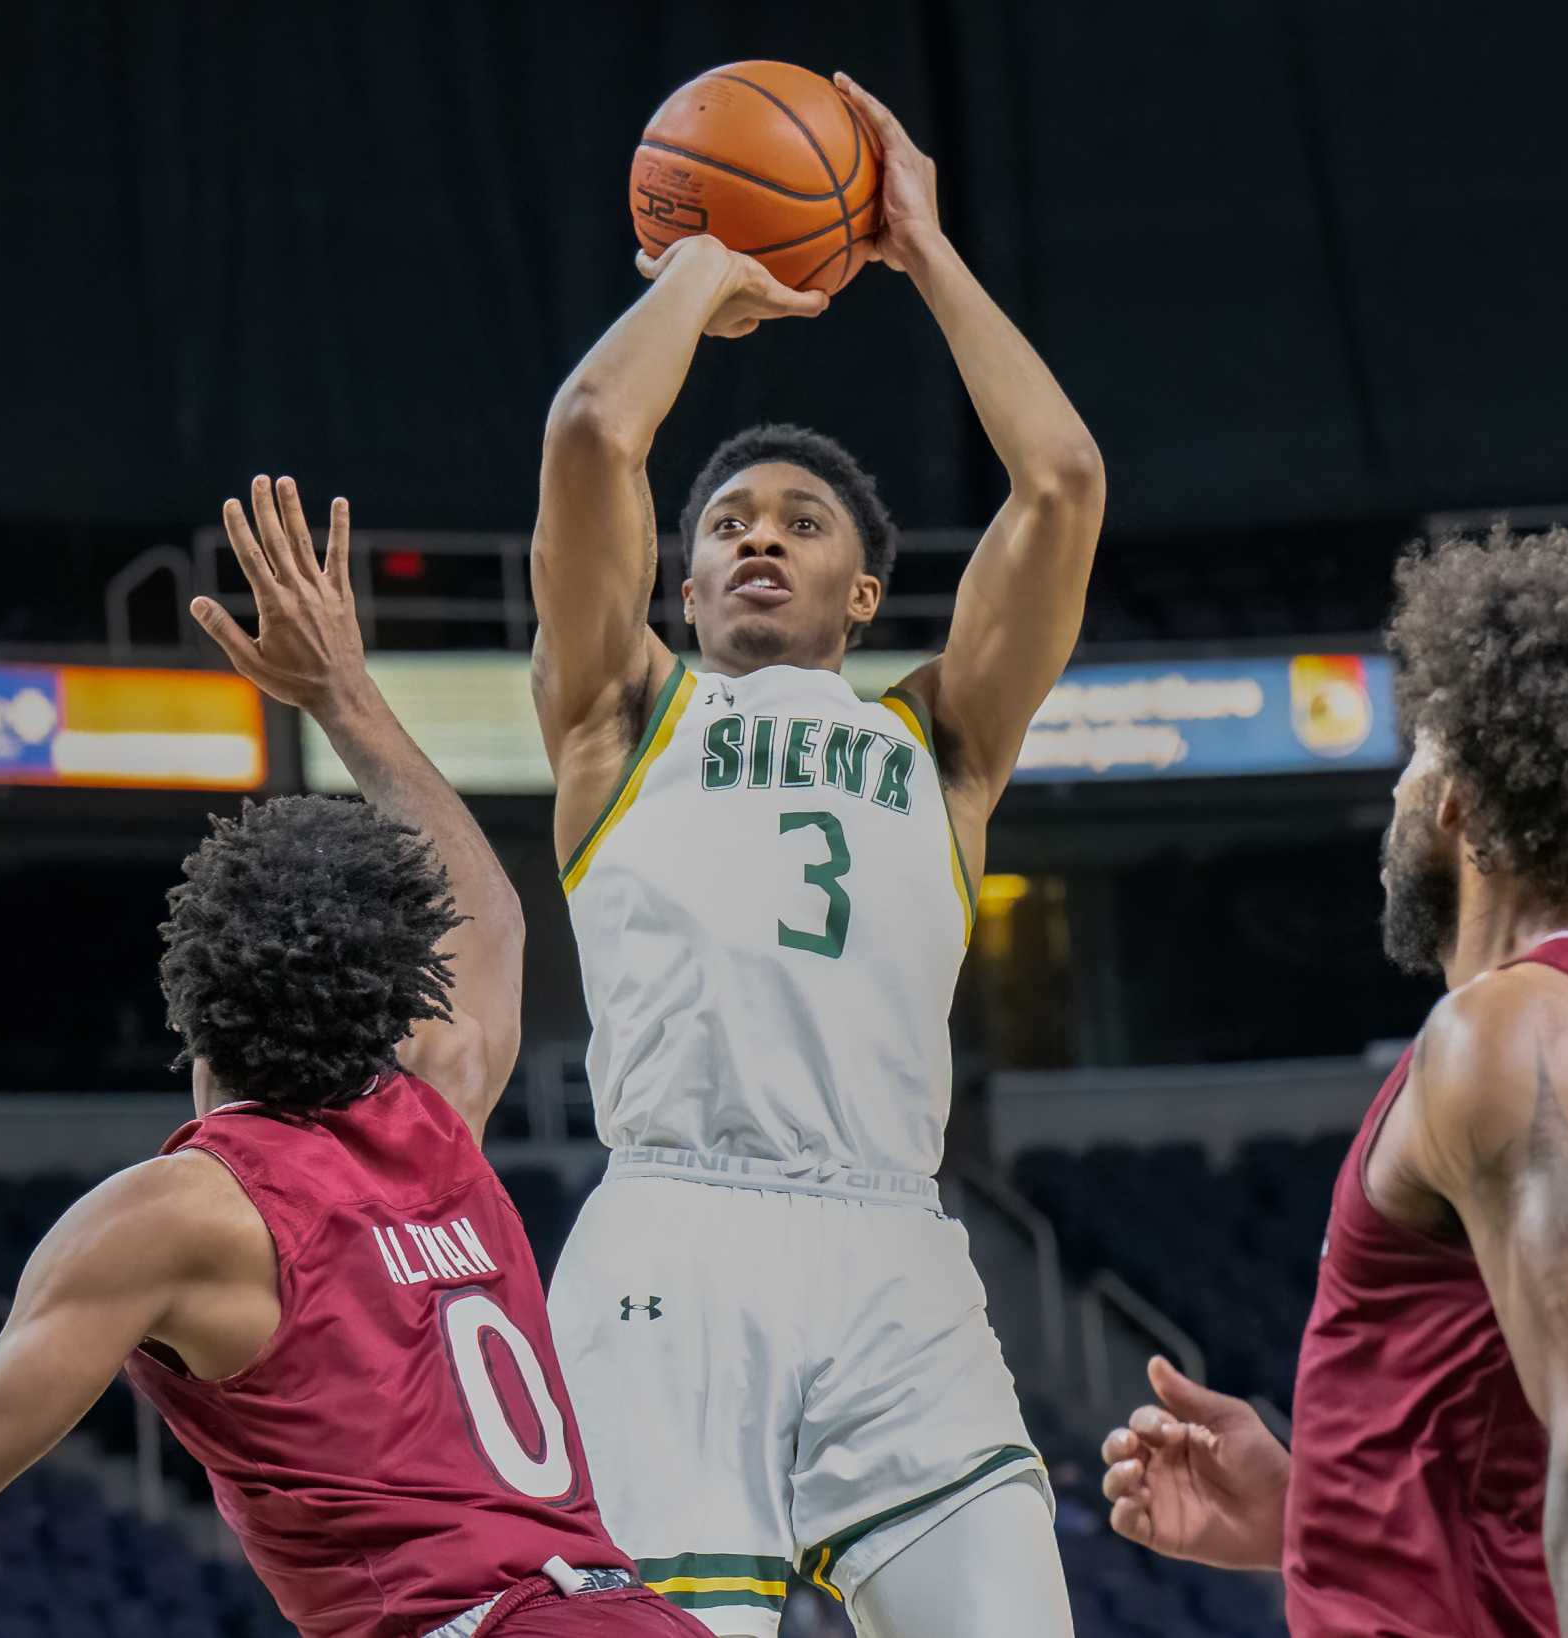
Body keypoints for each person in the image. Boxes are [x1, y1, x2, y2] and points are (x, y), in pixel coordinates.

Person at [0, 476, 707, 1638]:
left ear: (192, 1012)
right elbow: (489, 923)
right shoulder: (440, 1117)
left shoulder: (182, 1213)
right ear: (392, 999)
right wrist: (344, 696)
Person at [529, 72, 1104, 1638]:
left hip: (896, 1248)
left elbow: (1060, 485)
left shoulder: (942, 744)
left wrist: (919, 247)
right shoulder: (618, 714)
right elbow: (594, 429)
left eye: (800, 520)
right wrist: (706, 271)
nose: (758, 533)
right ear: (685, 579)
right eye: (724, 521)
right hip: (677, 1229)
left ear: (863, 595)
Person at [1100, 530, 1568, 1635]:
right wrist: (1313, 1512)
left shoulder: (1508, 1031)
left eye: (1413, 759)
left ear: (1462, 798)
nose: (1395, 790)